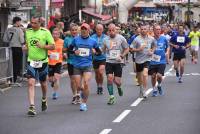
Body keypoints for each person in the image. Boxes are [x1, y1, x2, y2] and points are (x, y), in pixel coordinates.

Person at [24, 16, 55, 116]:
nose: (32, 25)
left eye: (35, 23)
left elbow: (53, 46)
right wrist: (25, 47)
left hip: (43, 61)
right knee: (31, 83)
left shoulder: (45, 32)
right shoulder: (28, 32)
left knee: (43, 83)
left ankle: (44, 98)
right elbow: (28, 45)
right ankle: (32, 107)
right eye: (31, 23)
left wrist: (43, 46)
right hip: (31, 61)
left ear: (39, 23)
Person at [68, 23, 101, 111]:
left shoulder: (93, 41)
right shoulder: (75, 39)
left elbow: (99, 52)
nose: (83, 30)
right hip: (77, 65)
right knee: (79, 87)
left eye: (85, 29)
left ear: (89, 30)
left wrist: (95, 52)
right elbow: (69, 50)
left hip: (87, 65)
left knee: (86, 83)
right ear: (80, 30)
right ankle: (82, 91)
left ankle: (84, 103)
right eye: (82, 29)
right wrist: (74, 51)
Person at [102, 23, 129, 105]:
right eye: (109, 30)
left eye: (113, 30)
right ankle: (111, 97)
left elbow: (127, 49)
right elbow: (103, 50)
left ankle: (119, 87)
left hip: (118, 62)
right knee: (109, 78)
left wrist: (122, 56)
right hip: (109, 61)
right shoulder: (105, 39)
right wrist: (98, 52)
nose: (111, 32)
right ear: (108, 31)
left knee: (117, 81)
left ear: (116, 30)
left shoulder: (121, 38)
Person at [130, 24, 156, 98]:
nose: (143, 30)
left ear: (147, 30)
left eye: (145, 29)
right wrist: (138, 49)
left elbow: (154, 45)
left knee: (145, 74)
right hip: (138, 60)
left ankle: (144, 91)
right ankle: (141, 89)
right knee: (139, 78)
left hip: (147, 59)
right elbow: (131, 49)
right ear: (140, 30)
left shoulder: (151, 38)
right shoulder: (136, 39)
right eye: (142, 29)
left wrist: (152, 51)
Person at [149, 25, 169, 97]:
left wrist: (167, 54)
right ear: (153, 30)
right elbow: (148, 48)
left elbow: (167, 47)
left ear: (161, 30)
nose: (158, 31)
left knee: (159, 76)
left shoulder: (164, 39)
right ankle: (154, 89)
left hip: (162, 60)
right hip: (153, 60)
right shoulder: (150, 39)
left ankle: (159, 85)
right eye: (156, 29)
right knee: (153, 76)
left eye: (159, 29)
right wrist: (150, 51)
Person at [3, 16, 25, 85]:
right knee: (17, 64)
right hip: (17, 48)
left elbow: (4, 39)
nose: (20, 23)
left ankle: (9, 78)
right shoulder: (19, 30)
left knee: (10, 63)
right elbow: (22, 40)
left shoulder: (8, 29)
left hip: (10, 48)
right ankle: (14, 79)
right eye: (20, 21)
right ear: (17, 21)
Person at [63, 23, 80, 104]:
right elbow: (64, 49)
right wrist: (66, 52)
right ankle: (74, 95)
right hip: (71, 61)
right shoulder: (67, 39)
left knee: (78, 80)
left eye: (75, 30)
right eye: (72, 30)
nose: (74, 31)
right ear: (70, 31)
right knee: (72, 80)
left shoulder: (81, 38)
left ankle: (78, 95)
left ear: (78, 30)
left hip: (80, 61)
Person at [91, 24, 108, 94]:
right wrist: (92, 50)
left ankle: (101, 86)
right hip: (95, 58)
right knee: (97, 73)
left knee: (101, 72)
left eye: (100, 29)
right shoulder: (92, 37)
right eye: (98, 29)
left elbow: (108, 46)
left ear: (103, 30)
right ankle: (98, 86)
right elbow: (90, 45)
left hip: (103, 58)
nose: (99, 31)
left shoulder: (106, 37)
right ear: (95, 30)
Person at [48, 28, 64, 100]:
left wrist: (65, 54)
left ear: (59, 35)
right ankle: (52, 82)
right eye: (53, 34)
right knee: (51, 79)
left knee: (57, 78)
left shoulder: (62, 42)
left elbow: (65, 49)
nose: (55, 35)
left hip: (58, 62)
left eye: (56, 34)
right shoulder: (48, 41)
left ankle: (55, 93)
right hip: (50, 62)